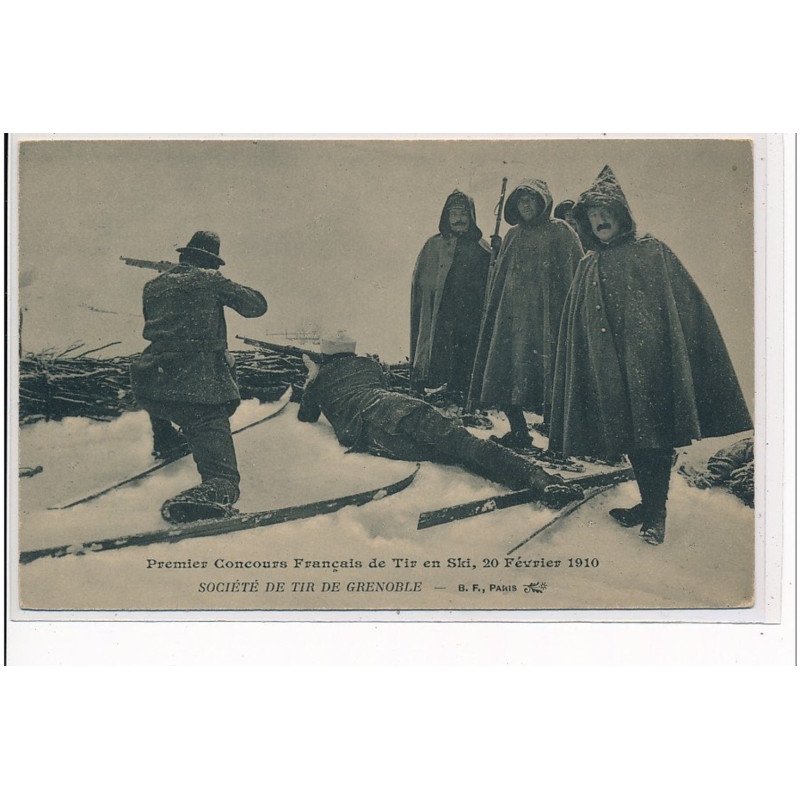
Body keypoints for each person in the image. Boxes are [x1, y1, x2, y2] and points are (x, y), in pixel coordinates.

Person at [549, 166, 753, 545]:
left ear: (622, 214)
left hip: (651, 368)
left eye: (606, 213)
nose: (600, 221)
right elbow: (575, 324)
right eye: (592, 216)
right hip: (608, 370)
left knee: (654, 436)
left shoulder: (651, 251)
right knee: (629, 436)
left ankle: (656, 513)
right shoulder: (587, 264)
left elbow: (684, 309)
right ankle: (647, 503)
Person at [297, 332, 582, 508]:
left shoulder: (319, 380)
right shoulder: (369, 365)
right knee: (467, 448)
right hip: (404, 409)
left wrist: (311, 377)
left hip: (371, 432)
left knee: (457, 455)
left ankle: (534, 482)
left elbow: (306, 416)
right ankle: (539, 479)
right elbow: (384, 385)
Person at [130, 231, 268, 522]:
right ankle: (190, 503)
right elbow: (256, 306)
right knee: (225, 480)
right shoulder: (210, 280)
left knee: (166, 400)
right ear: (210, 263)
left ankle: (165, 439)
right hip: (198, 392)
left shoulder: (153, 285)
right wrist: (221, 283)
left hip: (152, 385)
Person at [468, 179, 583, 445]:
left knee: (553, 378)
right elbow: (501, 279)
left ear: (543, 201)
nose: (526, 205)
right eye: (521, 200)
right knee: (505, 373)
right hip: (513, 322)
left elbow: (576, 274)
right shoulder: (513, 235)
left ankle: (558, 441)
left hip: (548, 321)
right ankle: (519, 430)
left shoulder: (561, 232)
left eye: (531, 199)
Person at [410, 190, 492, 398]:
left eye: (463, 214)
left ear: (471, 216)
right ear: (446, 217)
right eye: (453, 214)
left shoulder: (483, 248)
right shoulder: (433, 245)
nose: (459, 219)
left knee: (467, 351)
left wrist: (496, 255)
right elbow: (423, 285)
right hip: (443, 311)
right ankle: (430, 381)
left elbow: (493, 280)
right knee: (439, 347)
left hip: (471, 313)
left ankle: (465, 389)